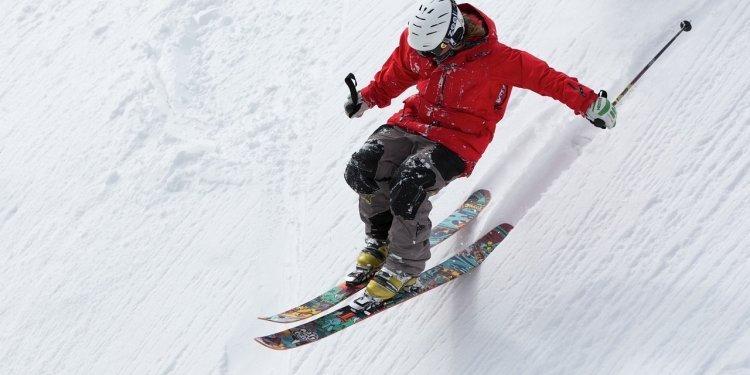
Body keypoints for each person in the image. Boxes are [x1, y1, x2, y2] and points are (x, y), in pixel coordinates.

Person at [342, 0, 617, 309]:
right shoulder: (421, 43)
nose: (427, 58)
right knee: (363, 166)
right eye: (422, 51)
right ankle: (380, 240)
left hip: (458, 140)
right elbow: (401, 69)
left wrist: (589, 102)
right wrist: (368, 97)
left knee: (410, 184)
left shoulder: (497, 59)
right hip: (413, 122)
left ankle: (404, 265)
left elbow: (546, 79)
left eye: (433, 51)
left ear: (454, 33)